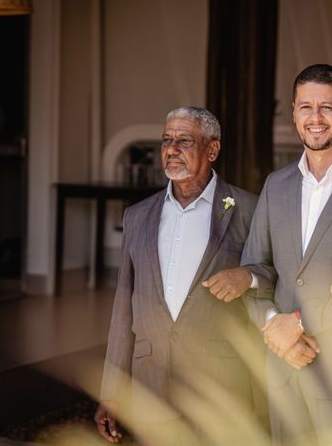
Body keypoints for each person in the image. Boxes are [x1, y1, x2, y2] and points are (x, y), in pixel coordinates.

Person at [214, 64, 332, 443]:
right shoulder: (277, 185)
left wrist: (300, 323)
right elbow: (257, 268)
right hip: (285, 367)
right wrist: (275, 330)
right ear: (293, 111)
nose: (315, 118)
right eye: (306, 107)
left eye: (327, 107)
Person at [94, 107, 258, 444]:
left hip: (219, 386)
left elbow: (273, 276)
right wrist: (111, 392)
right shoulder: (138, 216)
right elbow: (123, 309)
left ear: (212, 150)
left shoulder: (248, 210)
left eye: (184, 141)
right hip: (149, 384)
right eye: (167, 140)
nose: (171, 149)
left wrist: (248, 277)